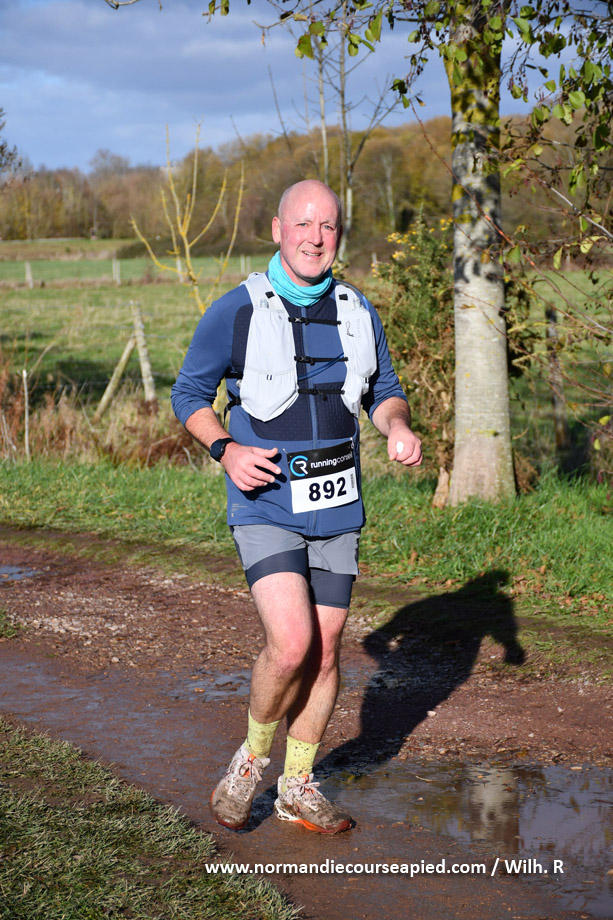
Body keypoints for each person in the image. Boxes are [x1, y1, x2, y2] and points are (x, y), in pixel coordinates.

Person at [171, 179, 422, 835]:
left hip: (337, 505)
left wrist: (396, 425)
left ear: (339, 234)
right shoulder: (237, 309)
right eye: (303, 225)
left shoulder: (357, 310)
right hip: (266, 502)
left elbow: (385, 391)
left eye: (328, 226)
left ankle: (299, 785)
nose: (316, 237)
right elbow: (189, 395)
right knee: (291, 645)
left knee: (327, 650)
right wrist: (225, 449)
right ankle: (250, 761)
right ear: (279, 230)